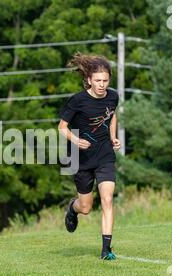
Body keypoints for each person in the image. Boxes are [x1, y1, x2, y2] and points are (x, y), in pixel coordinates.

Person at [58, 52, 121, 260]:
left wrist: (113, 137)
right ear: (88, 80)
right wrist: (75, 141)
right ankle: (72, 208)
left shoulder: (113, 96)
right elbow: (62, 127)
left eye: (105, 80)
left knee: (107, 199)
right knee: (86, 207)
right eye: (98, 81)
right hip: (80, 157)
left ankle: (106, 250)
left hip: (104, 155)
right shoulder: (77, 101)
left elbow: (112, 116)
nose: (102, 84)